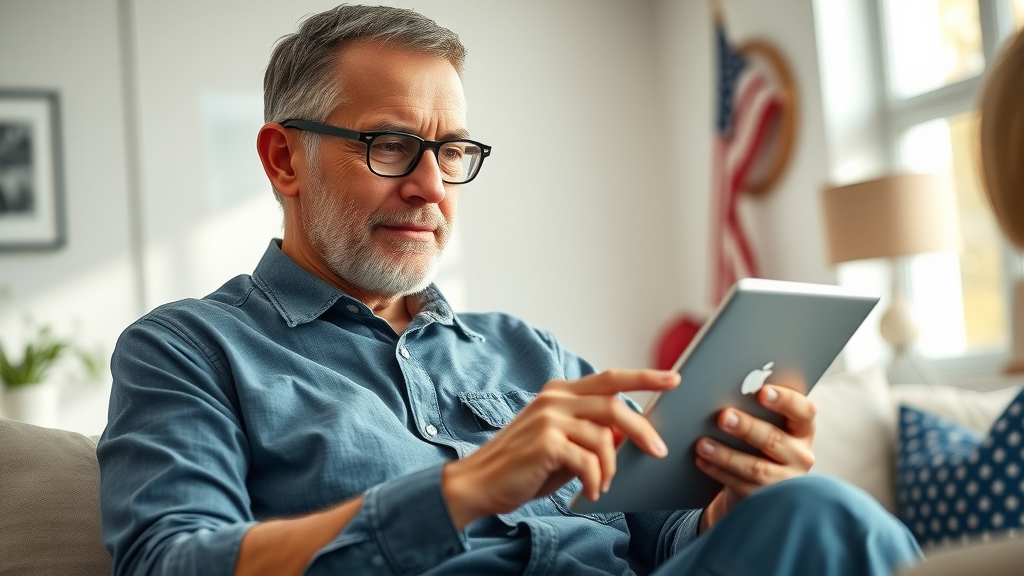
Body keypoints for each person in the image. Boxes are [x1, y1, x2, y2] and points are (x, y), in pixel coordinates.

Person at [97, 5, 922, 576]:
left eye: (452, 151)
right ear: (285, 160)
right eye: (390, 145)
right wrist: (461, 490)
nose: (431, 187)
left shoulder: (531, 353)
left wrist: (734, 503)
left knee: (814, 510)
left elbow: (659, 540)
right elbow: (170, 563)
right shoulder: (189, 350)